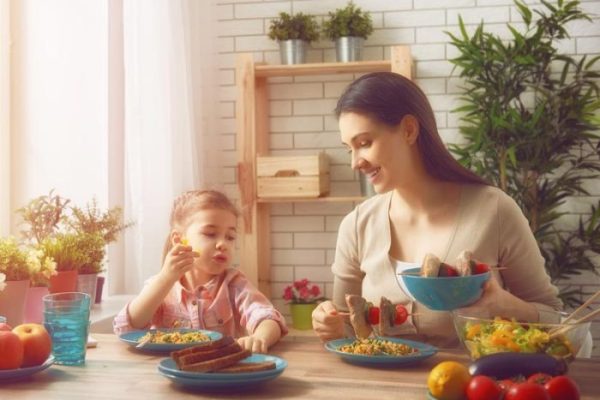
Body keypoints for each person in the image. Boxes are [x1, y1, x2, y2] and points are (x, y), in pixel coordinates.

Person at [311, 72, 562, 347]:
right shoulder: (357, 225)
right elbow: (347, 330)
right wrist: (329, 324)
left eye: (364, 143)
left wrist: (507, 306)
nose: (355, 162)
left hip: (469, 387)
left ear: (409, 130)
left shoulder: (494, 210)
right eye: (349, 149)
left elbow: (557, 317)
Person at [114, 190, 287, 353]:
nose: (223, 244)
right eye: (210, 234)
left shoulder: (235, 285)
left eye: (230, 237)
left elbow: (268, 318)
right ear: (179, 240)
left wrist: (259, 338)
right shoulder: (161, 286)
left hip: (220, 376)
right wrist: (165, 279)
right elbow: (127, 327)